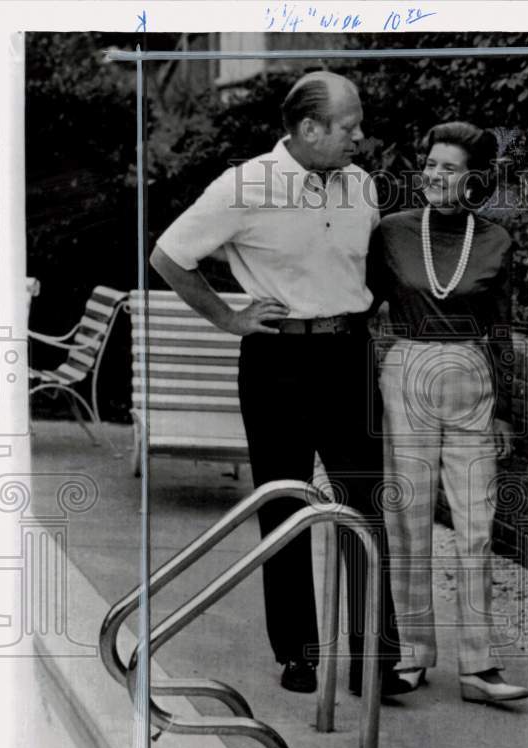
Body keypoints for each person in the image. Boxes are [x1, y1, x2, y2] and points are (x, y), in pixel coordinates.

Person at [150, 71, 411, 698]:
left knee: (365, 506)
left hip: (348, 359)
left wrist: (364, 313)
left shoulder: (361, 185)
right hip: (278, 365)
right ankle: (298, 653)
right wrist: (230, 319)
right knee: (285, 504)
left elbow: (365, 263)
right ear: (308, 128)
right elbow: (168, 256)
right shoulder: (246, 185)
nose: (360, 136)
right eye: (349, 127)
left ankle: (374, 659)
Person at [367, 121, 528, 704]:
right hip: (407, 370)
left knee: (476, 527)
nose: (434, 175)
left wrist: (505, 411)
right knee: (408, 520)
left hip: (471, 376)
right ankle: (411, 655)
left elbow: (503, 331)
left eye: (449, 167)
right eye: (430, 164)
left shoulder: (495, 240)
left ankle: (478, 667)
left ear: (475, 179)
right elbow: (364, 309)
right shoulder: (389, 232)